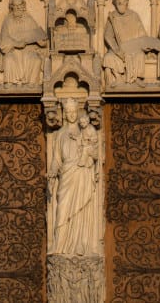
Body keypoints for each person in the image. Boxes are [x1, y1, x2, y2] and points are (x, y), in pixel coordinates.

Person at [49, 99, 100, 256]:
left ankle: (80, 244)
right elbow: (56, 159)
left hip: (82, 173)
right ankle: (59, 245)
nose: (71, 115)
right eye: (68, 112)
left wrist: (89, 153)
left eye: (73, 112)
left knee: (81, 210)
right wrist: (52, 172)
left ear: (78, 113)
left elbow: (95, 152)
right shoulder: (60, 134)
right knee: (62, 210)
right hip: (66, 174)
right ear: (64, 113)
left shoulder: (85, 130)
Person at [103, 0, 160, 85]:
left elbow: (142, 35)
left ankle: (137, 78)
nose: (120, 2)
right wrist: (117, 50)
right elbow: (108, 36)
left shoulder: (134, 15)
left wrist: (146, 47)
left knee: (139, 55)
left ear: (127, 1)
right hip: (119, 48)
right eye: (117, 1)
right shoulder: (112, 17)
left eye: (122, 0)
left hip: (134, 48)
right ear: (114, 3)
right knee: (108, 57)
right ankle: (118, 78)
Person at [0, 0, 47, 86]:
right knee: (9, 59)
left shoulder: (29, 20)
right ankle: (10, 82)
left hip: (28, 51)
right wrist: (16, 44)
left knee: (36, 60)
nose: (17, 8)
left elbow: (40, 38)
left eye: (20, 6)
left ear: (23, 6)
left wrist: (40, 41)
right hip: (13, 51)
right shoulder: (7, 21)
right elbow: (4, 41)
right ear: (11, 7)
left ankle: (32, 83)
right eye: (15, 6)